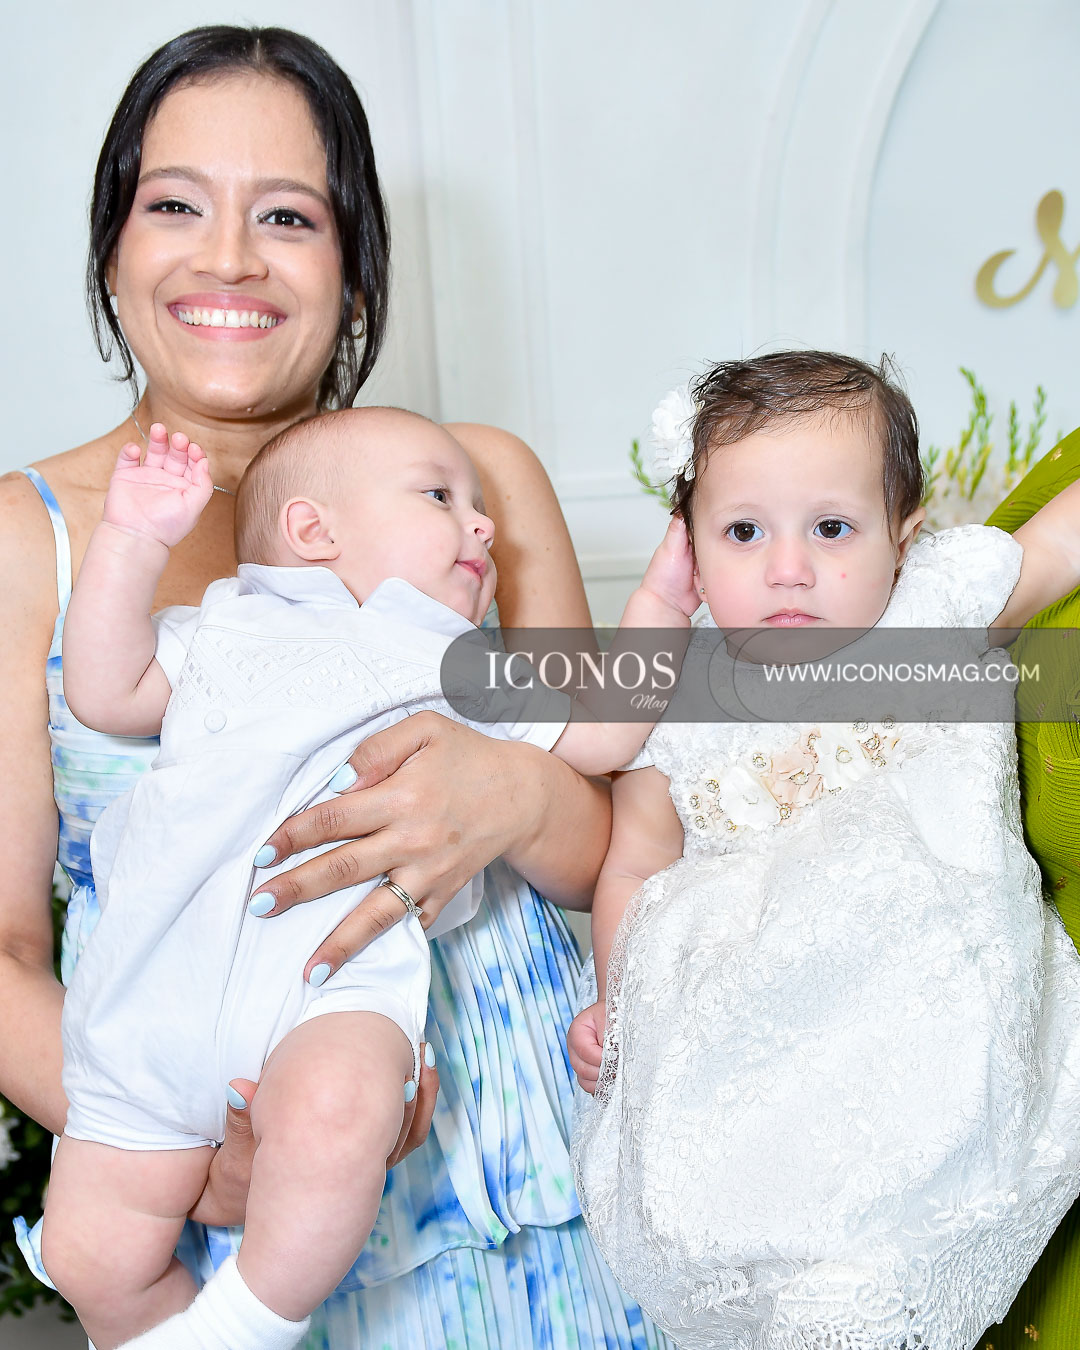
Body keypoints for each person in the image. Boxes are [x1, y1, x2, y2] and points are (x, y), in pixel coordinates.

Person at [0, 25, 674, 1350]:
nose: (230, 257)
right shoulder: (34, 545)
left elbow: (618, 844)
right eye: (175, 205)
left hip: (537, 1161)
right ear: (111, 250)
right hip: (224, 1187)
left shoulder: (475, 486)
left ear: (356, 267)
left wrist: (512, 791)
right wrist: (181, 1142)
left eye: (288, 216)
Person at [40, 407, 695, 1350]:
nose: (483, 525)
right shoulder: (226, 624)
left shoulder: (458, 665)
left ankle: (249, 1321)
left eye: (479, 507)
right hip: (149, 994)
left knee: (339, 1118)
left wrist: (664, 604)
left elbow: (606, 732)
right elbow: (104, 689)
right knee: (90, 1255)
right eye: (441, 497)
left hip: (329, 986)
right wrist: (133, 540)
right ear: (313, 530)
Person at [568, 350, 1080, 1350]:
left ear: (903, 539)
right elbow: (633, 867)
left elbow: (1059, 546)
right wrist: (615, 1004)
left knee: (890, 1245)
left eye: (832, 529)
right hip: (761, 1051)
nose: (787, 569)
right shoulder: (681, 699)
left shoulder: (933, 610)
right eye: (743, 532)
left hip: (940, 1014)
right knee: (745, 1218)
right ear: (690, 552)